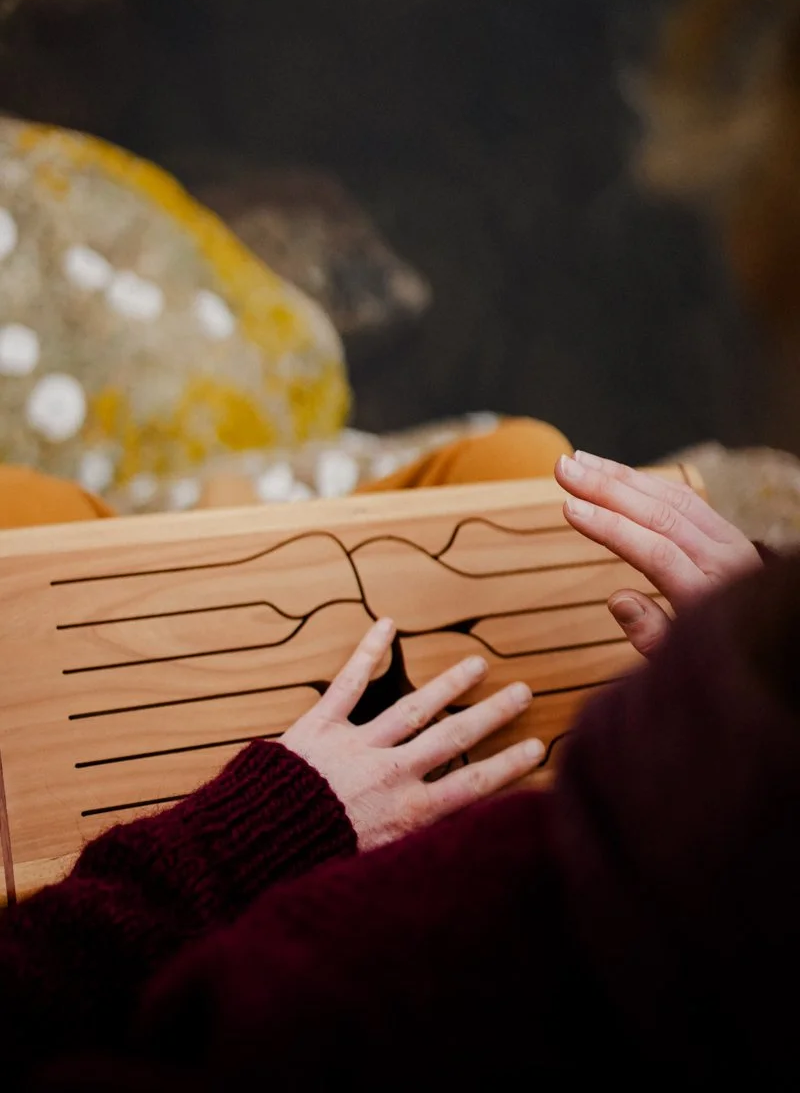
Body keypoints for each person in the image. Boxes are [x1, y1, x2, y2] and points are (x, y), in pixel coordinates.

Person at [2, 444, 797, 1087]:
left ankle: (195, 515)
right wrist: (755, 670)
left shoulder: (352, 999)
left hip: (230, 887)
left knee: (25, 513)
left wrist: (261, 830)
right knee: (517, 458)